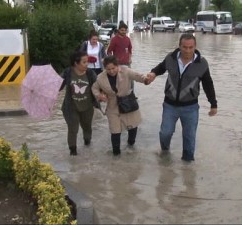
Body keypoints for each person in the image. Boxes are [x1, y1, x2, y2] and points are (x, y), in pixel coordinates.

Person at [146, 33, 218, 162]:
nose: (187, 50)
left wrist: (213, 104)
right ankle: (165, 152)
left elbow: (208, 84)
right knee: (165, 133)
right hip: (170, 105)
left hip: (190, 107)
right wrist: (153, 73)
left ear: (195, 47)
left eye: (191, 47)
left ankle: (188, 168)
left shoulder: (202, 63)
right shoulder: (171, 58)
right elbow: (161, 68)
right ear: (179, 46)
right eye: (184, 47)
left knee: (189, 137)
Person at [91, 55, 150, 156]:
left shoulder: (126, 70)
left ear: (117, 66)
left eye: (113, 68)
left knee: (133, 126)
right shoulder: (100, 77)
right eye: (108, 69)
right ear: (105, 68)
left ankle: (131, 148)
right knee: (115, 131)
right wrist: (100, 96)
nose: (111, 71)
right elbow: (94, 88)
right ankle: (116, 157)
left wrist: (145, 79)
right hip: (112, 106)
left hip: (128, 102)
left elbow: (138, 76)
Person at [59, 51, 99, 156]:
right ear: (76, 63)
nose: (87, 64)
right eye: (84, 62)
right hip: (70, 107)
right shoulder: (67, 72)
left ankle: (87, 143)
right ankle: (73, 152)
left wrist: (101, 96)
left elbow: (98, 87)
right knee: (73, 129)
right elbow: (58, 87)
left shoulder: (90, 73)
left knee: (87, 127)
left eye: (87, 62)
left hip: (87, 106)